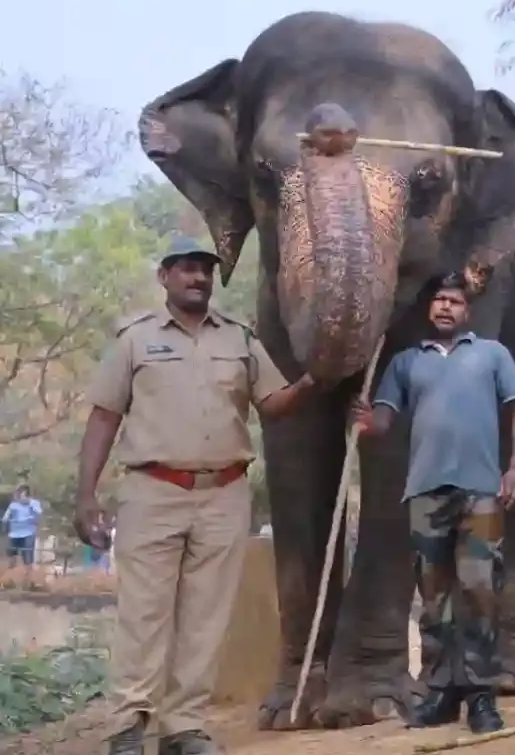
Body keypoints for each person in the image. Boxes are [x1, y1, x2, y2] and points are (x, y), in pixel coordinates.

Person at [76, 236, 319, 755]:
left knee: (207, 617)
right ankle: (129, 725)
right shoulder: (135, 341)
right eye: (186, 270)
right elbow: (103, 418)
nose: (198, 278)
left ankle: (183, 728)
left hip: (224, 494)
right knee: (144, 613)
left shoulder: (239, 340)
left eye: (205, 270)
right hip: (152, 491)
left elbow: (273, 402)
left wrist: (317, 378)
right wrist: (86, 496)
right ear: (164, 278)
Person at [352, 272, 515, 734]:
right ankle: (441, 693)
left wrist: (513, 469)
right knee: (434, 599)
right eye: (439, 301)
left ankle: (481, 697)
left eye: (454, 300)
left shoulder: (492, 354)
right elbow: (384, 423)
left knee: (479, 588)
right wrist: (364, 419)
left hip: (481, 492)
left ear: (467, 310)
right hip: (425, 493)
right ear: (429, 310)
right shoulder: (407, 363)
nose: (446, 307)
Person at [4, 484, 43, 568]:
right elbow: (5, 518)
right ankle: (11, 573)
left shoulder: (34, 503)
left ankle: (28, 575)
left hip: (28, 533)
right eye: (19, 494)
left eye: (23, 494)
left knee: (27, 556)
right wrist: (9, 522)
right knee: (12, 554)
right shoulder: (13, 505)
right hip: (14, 533)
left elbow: (38, 515)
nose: (20, 497)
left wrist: (32, 515)